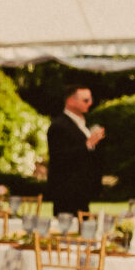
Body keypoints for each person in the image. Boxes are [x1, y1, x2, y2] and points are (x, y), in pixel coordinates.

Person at [43, 84, 107, 218]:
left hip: (83, 191)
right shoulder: (58, 126)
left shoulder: (83, 123)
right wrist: (88, 144)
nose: (90, 103)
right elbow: (59, 158)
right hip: (66, 192)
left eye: (90, 99)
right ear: (71, 101)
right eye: (85, 100)